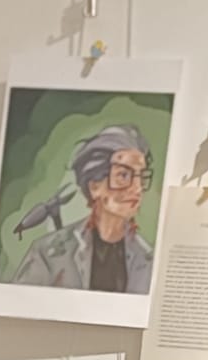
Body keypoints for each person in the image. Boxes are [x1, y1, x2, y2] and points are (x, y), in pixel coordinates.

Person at [13, 124, 154, 294]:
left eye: (141, 176)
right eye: (123, 175)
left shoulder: (148, 259)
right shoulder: (50, 254)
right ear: (94, 186)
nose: (137, 188)